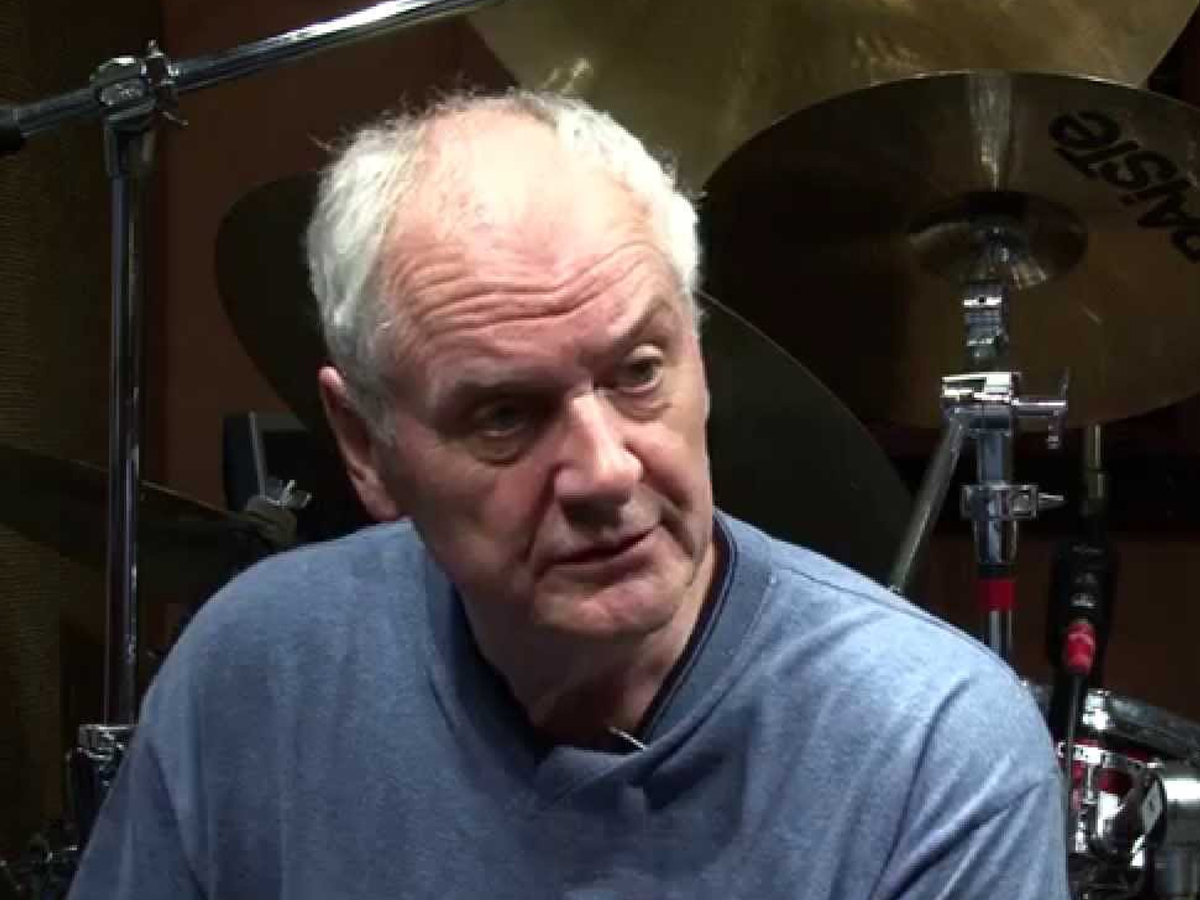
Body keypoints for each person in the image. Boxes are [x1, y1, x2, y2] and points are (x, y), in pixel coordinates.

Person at [68, 90, 1068, 899]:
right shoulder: (252, 673)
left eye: (639, 372)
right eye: (505, 415)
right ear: (365, 447)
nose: (606, 470)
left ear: (700, 359)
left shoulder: (931, 748)